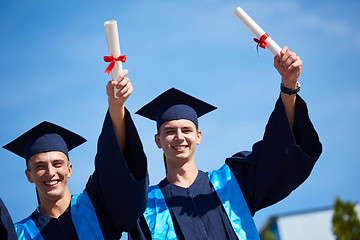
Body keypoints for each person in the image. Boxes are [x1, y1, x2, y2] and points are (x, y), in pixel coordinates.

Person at [129, 46, 322, 239]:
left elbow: (276, 150)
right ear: (158, 141)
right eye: (170, 131)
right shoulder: (147, 210)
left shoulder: (232, 183)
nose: (180, 137)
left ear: (198, 136)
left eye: (187, 130)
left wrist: (289, 86)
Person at [3, 70, 148, 240]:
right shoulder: (20, 235)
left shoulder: (96, 206)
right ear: (29, 175)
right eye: (40, 166)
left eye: (57, 164)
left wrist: (116, 105)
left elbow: (114, 162)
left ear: (69, 169)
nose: (51, 173)